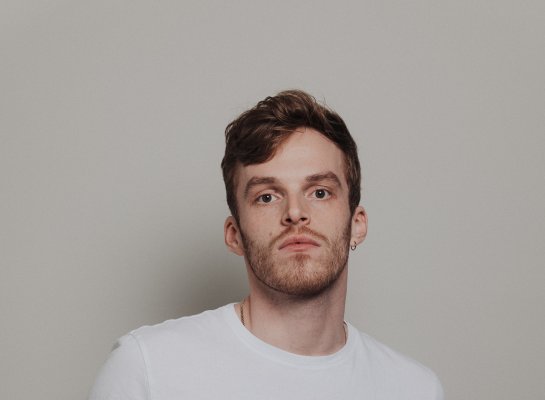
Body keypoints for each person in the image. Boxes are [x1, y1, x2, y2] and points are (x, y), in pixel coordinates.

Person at [88, 90, 443, 399]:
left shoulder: (415, 389)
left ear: (357, 225)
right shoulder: (149, 369)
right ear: (235, 235)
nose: (295, 213)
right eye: (267, 196)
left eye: (320, 192)